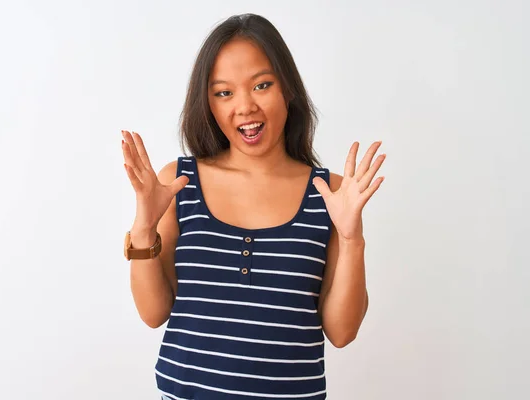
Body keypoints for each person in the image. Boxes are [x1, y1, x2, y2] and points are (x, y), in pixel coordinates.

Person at [121, 13, 385, 400]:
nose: (244, 107)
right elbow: (153, 314)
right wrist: (144, 225)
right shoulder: (179, 181)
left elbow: (342, 333)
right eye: (224, 92)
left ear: (287, 89)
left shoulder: (331, 194)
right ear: (208, 103)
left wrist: (352, 238)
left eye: (261, 85)